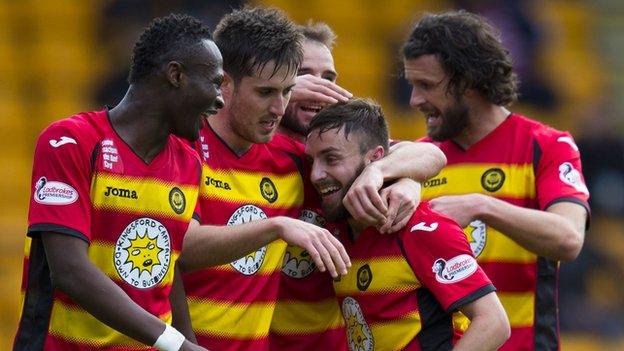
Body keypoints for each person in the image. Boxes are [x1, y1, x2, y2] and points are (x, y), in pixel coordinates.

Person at [13, 14, 223, 351]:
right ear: (176, 75)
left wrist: (188, 342)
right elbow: (69, 270)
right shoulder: (70, 142)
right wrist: (177, 345)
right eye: (214, 82)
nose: (220, 99)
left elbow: (169, 272)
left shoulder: (188, 163)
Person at [402, 10, 590, 350]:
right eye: (412, 85)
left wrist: (482, 206)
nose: (414, 100)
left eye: (427, 86)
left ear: (469, 83)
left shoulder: (544, 146)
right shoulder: (415, 161)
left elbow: (569, 238)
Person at [270, 21, 447, 351]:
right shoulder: (252, 149)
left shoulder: (335, 156)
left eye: (329, 78)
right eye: (304, 73)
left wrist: (385, 175)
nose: (319, 88)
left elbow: (431, 153)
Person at [306, 98, 510, 351]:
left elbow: (494, 323)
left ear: (375, 159)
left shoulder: (421, 229)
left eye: (331, 159)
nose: (316, 174)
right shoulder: (337, 230)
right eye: (312, 161)